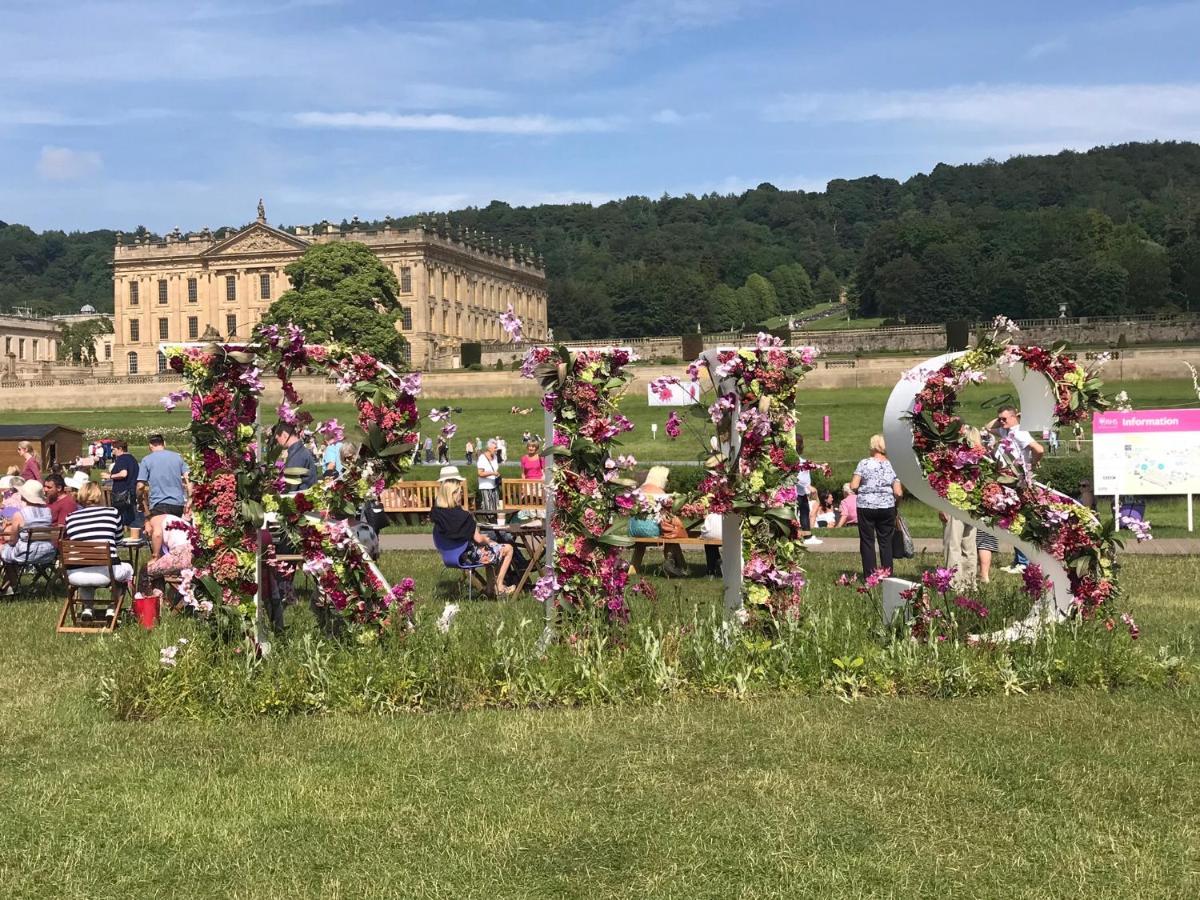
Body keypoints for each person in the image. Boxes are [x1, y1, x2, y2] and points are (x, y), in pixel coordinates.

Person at [430, 467, 514, 596]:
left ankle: (490, 590)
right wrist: (487, 540)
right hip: (469, 556)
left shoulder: (436, 514)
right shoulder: (464, 516)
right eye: (459, 492)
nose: (461, 495)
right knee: (507, 548)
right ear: (453, 493)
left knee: (487, 549)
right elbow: (478, 539)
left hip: (450, 555)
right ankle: (500, 586)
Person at [63, 482, 134, 622]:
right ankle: (112, 608)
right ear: (99, 495)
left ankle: (88, 608)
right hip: (106, 573)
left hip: (76, 575)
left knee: (86, 565)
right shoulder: (112, 513)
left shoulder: (70, 518)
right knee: (128, 568)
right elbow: (119, 540)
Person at [987, 405, 1044, 574]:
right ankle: (1019, 559)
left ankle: (1024, 561)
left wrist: (1031, 463)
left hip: (1017, 480)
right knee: (1012, 520)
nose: (1001, 422)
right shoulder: (1006, 431)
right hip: (1007, 479)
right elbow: (987, 427)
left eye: (1005, 419)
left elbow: (1039, 449)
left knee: (1018, 520)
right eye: (1000, 419)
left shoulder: (1020, 432)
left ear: (1014, 418)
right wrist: (1002, 420)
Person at [849, 434, 902, 579]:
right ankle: (887, 574)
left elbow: (854, 485)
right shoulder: (893, 465)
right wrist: (895, 505)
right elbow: (898, 492)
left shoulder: (864, 463)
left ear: (873, 447)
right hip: (887, 506)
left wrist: (858, 489)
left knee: (867, 541)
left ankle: (870, 576)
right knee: (885, 542)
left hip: (866, 505)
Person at [942, 426, 981, 590]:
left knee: (953, 544)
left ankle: (954, 582)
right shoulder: (981, 459)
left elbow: (946, 483)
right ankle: (970, 581)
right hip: (973, 504)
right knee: (969, 545)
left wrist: (942, 505)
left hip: (956, 504)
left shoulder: (957, 460)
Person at [1, 481, 56, 595]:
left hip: (26, 553)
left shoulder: (20, 514)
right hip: (47, 553)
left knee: (4, 550)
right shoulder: (48, 512)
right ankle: (9, 586)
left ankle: (12, 585)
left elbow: (12, 540)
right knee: (11, 552)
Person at [642, 466, 687, 577]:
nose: (668, 481)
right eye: (667, 478)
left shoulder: (640, 489)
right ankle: (673, 563)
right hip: (651, 529)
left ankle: (679, 566)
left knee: (667, 528)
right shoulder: (661, 494)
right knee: (669, 530)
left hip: (634, 527)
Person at [137, 434, 190, 518]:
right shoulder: (177, 457)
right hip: (177, 504)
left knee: (159, 530)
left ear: (150, 446)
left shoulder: (146, 460)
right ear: (164, 444)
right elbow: (188, 479)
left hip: (158, 503)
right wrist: (190, 499)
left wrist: (140, 501)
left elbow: (140, 486)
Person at [145, 511, 192, 580]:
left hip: (182, 553)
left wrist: (155, 557)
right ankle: (158, 591)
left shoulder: (154, 519)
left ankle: (143, 591)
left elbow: (157, 535)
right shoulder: (173, 519)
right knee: (158, 571)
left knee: (146, 570)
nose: (144, 531)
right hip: (195, 555)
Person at [108, 439, 141, 530]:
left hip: (121, 492)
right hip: (131, 489)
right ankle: (132, 531)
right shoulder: (132, 459)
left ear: (120, 449)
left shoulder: (122, 459)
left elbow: (123, 474)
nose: (112, 452)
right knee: (131, 514)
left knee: (122, 515)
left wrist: (110, 476)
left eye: (113, 449)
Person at [275, 423, 318, 491]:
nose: (277, 442)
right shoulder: (300, 450)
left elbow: (291, 485)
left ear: (284, 435)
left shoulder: (296, 454)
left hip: (300, 496)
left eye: (277, 438)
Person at [795, 433, 821, 546]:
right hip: (795, 493)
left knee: (804, 513)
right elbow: (795, 477)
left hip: (801, 493)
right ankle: (802, 536)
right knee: (798, 514)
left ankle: (807, 535)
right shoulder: (795, 461)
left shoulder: (802, 461)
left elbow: (805, 475)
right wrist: (807, 486)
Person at [476, 439, 501, 513]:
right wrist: (492, 473)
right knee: (489, 509)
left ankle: (495, 522)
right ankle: (488, 522)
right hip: (486, 486)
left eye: (496, 447)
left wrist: (497, 474)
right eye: (495, 448)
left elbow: (495, 469)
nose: (496, 449)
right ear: (489, 448)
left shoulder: (495, 457)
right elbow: (480, 473)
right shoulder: (482, 458)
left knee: (496, 507)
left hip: (494, 485)